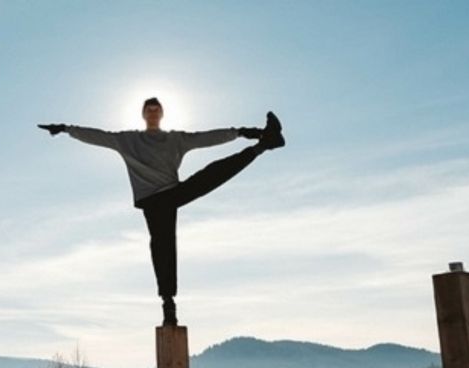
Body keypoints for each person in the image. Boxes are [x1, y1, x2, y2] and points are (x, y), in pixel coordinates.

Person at [38, 97, 285, 326]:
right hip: (152, 201)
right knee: (162, 245)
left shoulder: (176, 139)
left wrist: (241, 132)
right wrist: (66, 129)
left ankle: (264, 144)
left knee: (210, 175)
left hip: (173, 193)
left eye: (157, 109)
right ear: (143, 114)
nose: (153, 113)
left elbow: (207, 138)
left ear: (162, 114)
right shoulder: (127, 140)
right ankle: (168, 303)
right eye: (149, 109)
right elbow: (97, 136)